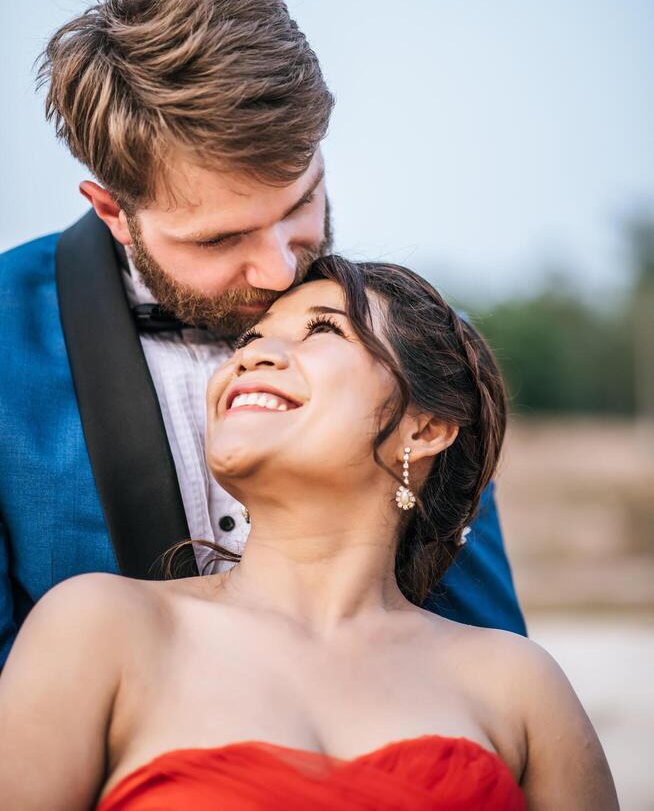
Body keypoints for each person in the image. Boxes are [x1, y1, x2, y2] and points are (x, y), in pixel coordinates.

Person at [0, 0, 524, 669]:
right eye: (219, 238)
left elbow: (483, 652)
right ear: (112, 211)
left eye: (301, 202)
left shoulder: (407, 343)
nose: (280, 267)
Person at [0, 257, 617, 809]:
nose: (249, 356)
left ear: (425, 428)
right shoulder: (99, 629)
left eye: (322, 329)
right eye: (248, 341)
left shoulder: (520, 685)